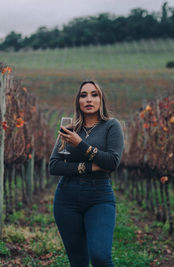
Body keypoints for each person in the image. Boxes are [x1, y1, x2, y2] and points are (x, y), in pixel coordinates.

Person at [49, 80, 124, 267]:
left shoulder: (111, 126)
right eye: (83, 95)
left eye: (94, 94)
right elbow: (54, 165)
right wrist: (90, 166)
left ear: (101, 100)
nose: (88, 99)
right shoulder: (70, 129)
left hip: (99, 196)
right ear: (78, 101)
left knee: (100, 257)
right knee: (78, 261)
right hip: (66, 198)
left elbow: (112, 162)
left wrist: (80, 144)